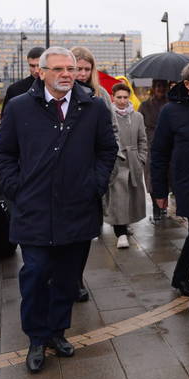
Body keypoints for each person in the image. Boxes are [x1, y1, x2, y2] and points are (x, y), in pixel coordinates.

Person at [0, 46, 117, 373]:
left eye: (70, 69)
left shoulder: (92, 107)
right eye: (58, 69)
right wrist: (18, 189)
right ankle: (36, 338)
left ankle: (57, 332)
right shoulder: (20, 108)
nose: (66, 74)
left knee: (66, 277)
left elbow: (107, 150)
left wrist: (95, 184)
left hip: (78, 209)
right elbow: (3, 154)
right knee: (35, 274)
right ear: (42, 72)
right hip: (33, 211)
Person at [71, 45, 118, 300]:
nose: (81, 74)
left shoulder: (101, 97)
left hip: (92, 174)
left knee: (86, 232)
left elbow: (112, 133)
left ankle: (76, 278)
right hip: (67, 174)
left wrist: (104, 175)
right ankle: (64, 277)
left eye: (86, 69)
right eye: (78, 68)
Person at [151, 62, 189, 296]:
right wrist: (159, 191)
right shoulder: (171, 111)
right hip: (188, 183)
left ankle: (181, 277)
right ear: (188, 84)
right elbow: (159, 153)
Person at [105, 83, 148, 248]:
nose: (122, 101)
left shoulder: (137, 117)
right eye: (119, 97)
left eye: (125, 97)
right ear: (112, 97)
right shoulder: (108, 116)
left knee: (132, 195)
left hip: (133, 161)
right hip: (116, 161)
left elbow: (143, 139)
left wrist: (141, 158)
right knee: (118, 198)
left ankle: (126, 223)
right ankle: (120, 233)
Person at [139, 79, 170, 221]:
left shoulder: (171, 104)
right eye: (158, 86)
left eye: (164, 86)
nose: (161, 89)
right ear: (153, 87)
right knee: (151, 178)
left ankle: (163, 206)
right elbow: (140, 126)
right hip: (150, 144)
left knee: (168, 176)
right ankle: (156, 209)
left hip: (169, 144)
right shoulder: (145, 106)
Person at [1, 46, 45, 113]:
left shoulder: (57, 87)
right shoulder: (14, 89)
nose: (36, 70)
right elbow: (6, 118)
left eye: (39, 65)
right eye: (32, 66)